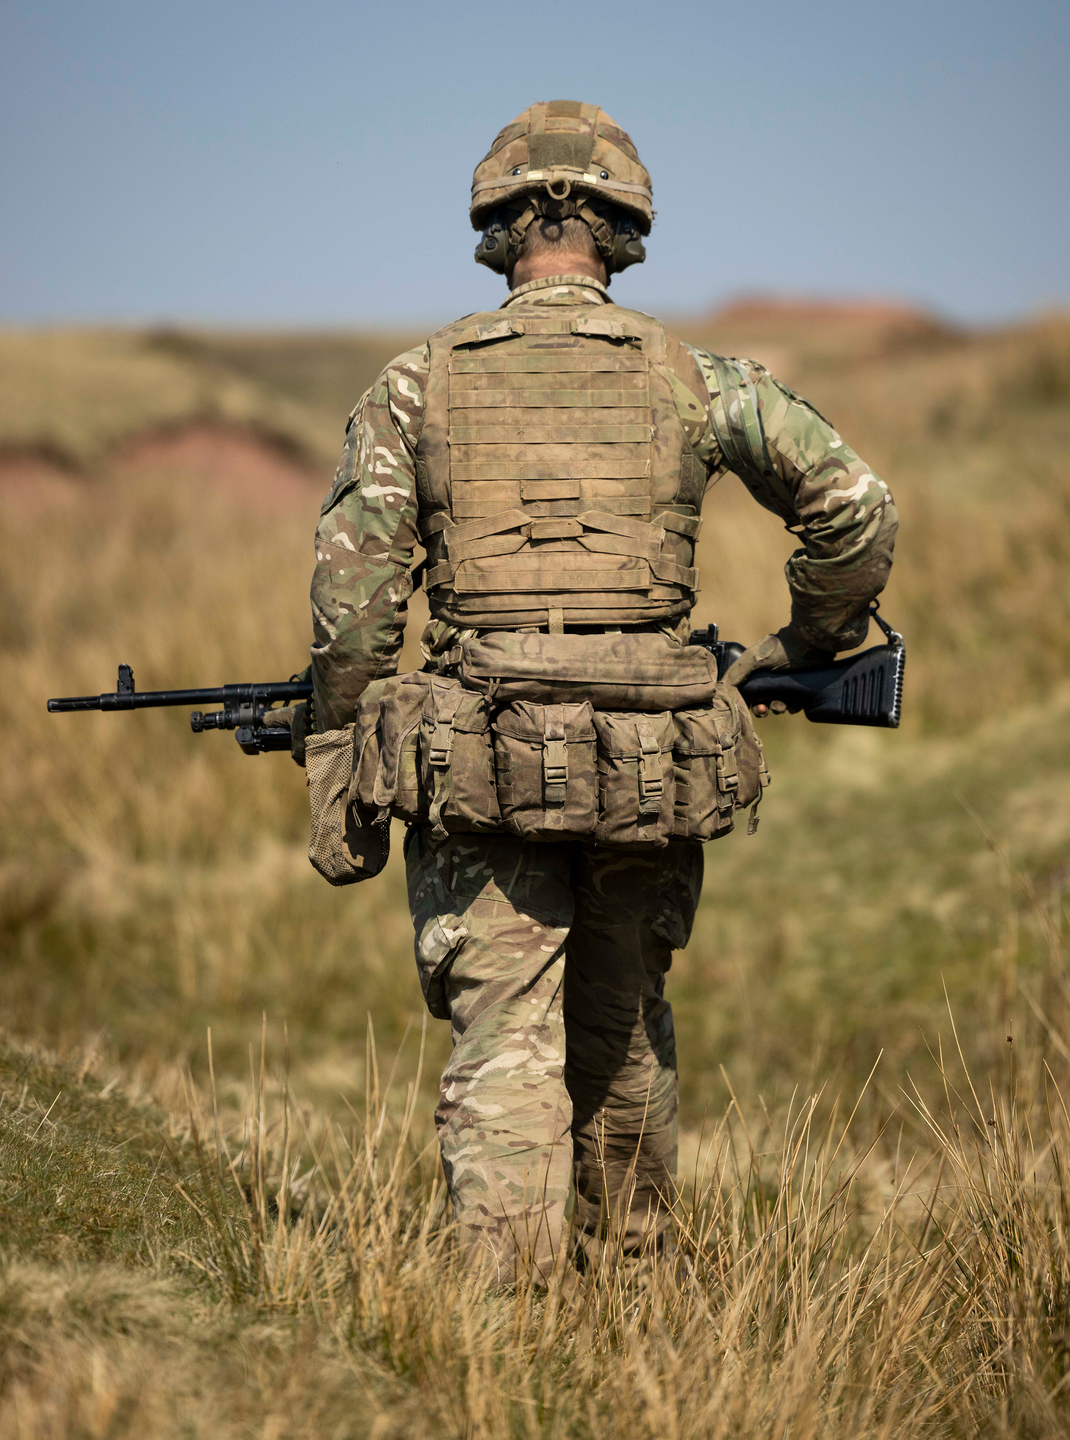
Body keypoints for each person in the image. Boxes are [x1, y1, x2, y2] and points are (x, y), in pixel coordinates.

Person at [299, 101, 897, 1285]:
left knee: (507, 1038)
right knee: (623, 1034)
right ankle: (634, 1289)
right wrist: (808, 642)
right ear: (622, 229)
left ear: (495, 228)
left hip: (480, 764)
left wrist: (338, 764)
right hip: (650, 762)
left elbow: (354, 603)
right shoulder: (697, 377)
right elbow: (856, 508)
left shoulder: (417, 384)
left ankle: (508, 1343)